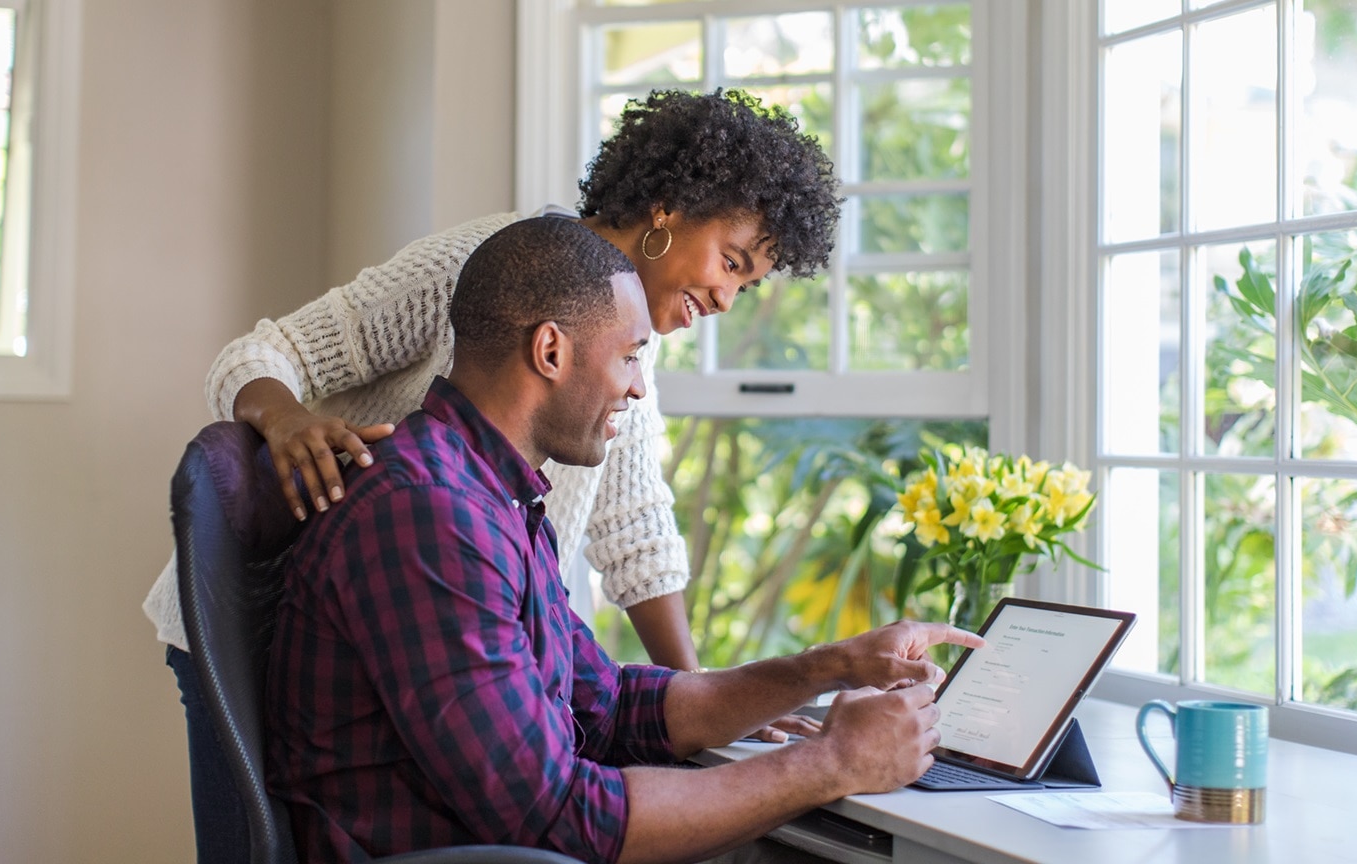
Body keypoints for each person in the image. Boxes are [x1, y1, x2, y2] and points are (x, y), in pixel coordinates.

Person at [146, 89, 841, 863]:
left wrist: (715, 703)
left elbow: (636, 532)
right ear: (669, 209)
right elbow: (266, 352)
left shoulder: (616, 339)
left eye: (747, 286)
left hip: (432, 603)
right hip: (292, 606)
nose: (726, 298)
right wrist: (286, 420)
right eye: (732, 263)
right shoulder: (485, 267)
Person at [265, 217, 979, 864]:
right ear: (550, 350)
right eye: (631, 356)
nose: (637, 389)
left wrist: (830, 666)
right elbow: (556, 818)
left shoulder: (492, 498)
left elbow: (609, 707)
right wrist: (831, 763)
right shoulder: (429, 515)